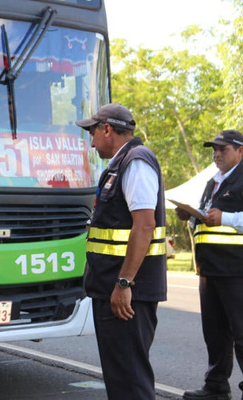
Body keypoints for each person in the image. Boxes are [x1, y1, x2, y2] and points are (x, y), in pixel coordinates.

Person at [75, 103, 167, 400]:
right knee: (121, 376)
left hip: (126, 293)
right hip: (113, 288)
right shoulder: (120, 164)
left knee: (130, 379)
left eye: (92, 132)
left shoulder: (135, 162)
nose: (91, 141)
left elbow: (144, 225)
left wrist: (124, 283)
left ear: (107, 129)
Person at [177, 130, 243, 400]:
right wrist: (191, 216)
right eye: (213, 149)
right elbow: (208, 219)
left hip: (236, 269)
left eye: (222, 149)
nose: (216, 154)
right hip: (210, 269)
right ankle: (216, 386)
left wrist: (225, 218)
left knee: (241, 331)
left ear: (240, 151)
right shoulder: (213, 182)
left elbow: (223, 219)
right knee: (215, 331)